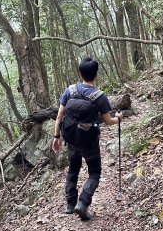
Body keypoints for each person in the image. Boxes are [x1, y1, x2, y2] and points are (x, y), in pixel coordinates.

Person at [52, 56, 122, 220]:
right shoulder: (99, 96)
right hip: (89, 141)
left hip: (71, 139)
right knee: (95, 171)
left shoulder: (70, 91)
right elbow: (108, 121)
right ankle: (82, 203)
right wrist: (118, 118)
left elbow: (59, 116)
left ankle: (70, 204)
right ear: (96, 74)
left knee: (73, 169)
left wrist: (57, 137)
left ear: (80, 73)